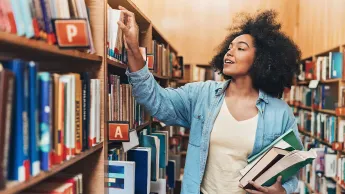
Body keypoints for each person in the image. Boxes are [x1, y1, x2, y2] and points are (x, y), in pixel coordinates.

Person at [117, 5, 303, 194]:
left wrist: (283, 191)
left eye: (240, 48)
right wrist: (133, 48)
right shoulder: (202, 95)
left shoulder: (280, 113)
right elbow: (157, 101)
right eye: (229, 48)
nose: (229, 52)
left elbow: (290, 172)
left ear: (261, 59)